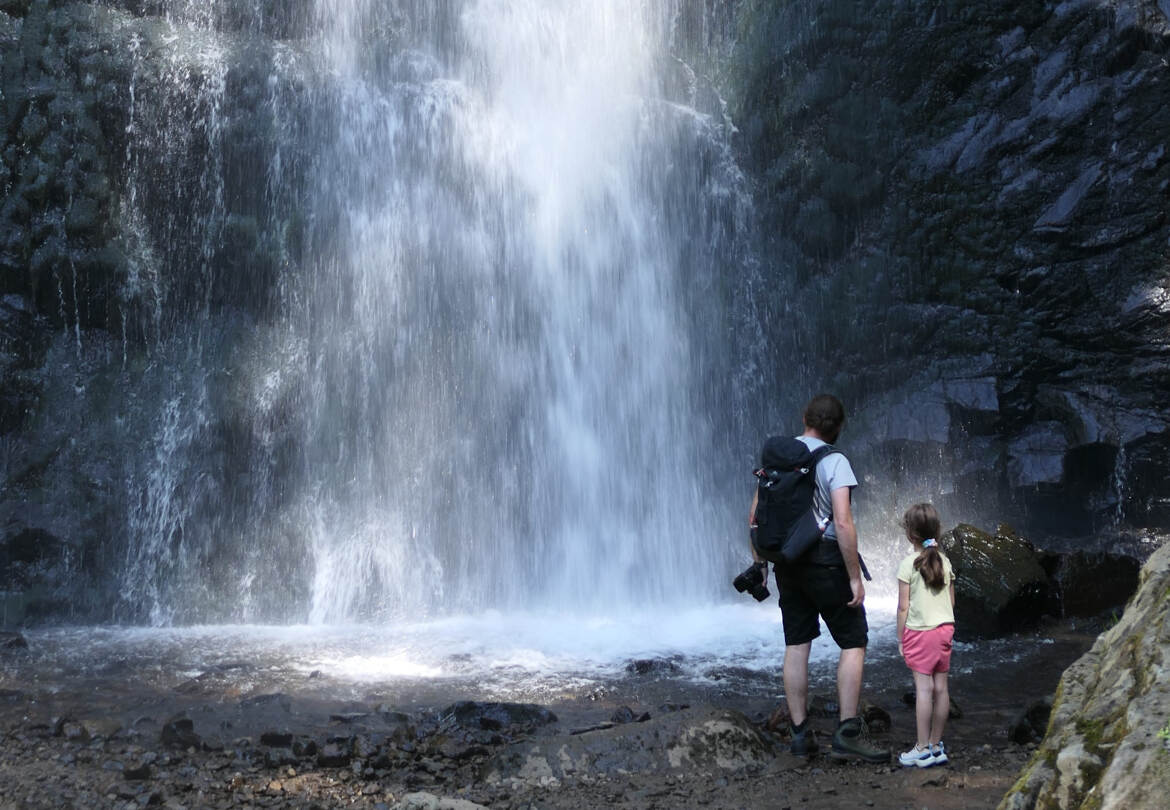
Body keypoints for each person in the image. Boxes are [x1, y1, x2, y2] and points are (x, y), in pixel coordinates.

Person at [750, 394, 890, 762]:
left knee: (797, 644)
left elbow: (756, 515)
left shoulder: (779, 457)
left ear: (804, 417)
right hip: (826, 562)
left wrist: (761, 564)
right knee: (853, 642)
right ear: (839, 427)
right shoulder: (835, 460)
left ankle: (800, 735)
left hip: (788, 564)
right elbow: (842, 521)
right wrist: (855, 577)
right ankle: (846, 732)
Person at [895, 502, 956, 768]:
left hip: (920, 632)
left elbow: (903, 607)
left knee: (923, 689)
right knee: (941, 688)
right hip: (945, 629)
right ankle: (935, 745)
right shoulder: (945, 561)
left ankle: (921, 749)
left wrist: (900, 638)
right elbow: (951, 602)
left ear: (910, 535)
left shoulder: (909, 564)